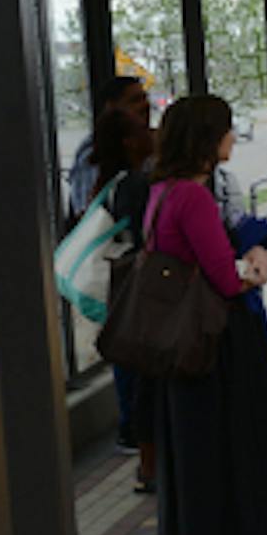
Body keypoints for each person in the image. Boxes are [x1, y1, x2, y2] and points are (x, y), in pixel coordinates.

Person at [142, 95, 267, 535]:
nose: (233, 139)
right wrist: (257, 268)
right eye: (227, 131)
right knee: (234, 472)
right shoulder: (192, 197)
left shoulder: (160, 195)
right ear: (207, 139)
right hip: (217, 358)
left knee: (195, 481)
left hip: (182, 361)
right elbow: (225, 276)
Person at [90, 104, 158, 475]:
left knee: (126, 359)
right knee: (138, 365)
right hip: (136, 286)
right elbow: (147, 236)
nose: (151, 132)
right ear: (131, 142)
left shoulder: (108, 183)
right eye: (143, 128)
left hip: (121, 285)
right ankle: (136, 434)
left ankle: (131, 431)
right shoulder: (135, 184)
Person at [68, 75, 151, 219]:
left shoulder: (148, 145)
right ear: (111, 107)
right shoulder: (93, 152)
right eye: (135, 100)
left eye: (145, 98)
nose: (145, 105)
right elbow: (88, 215)